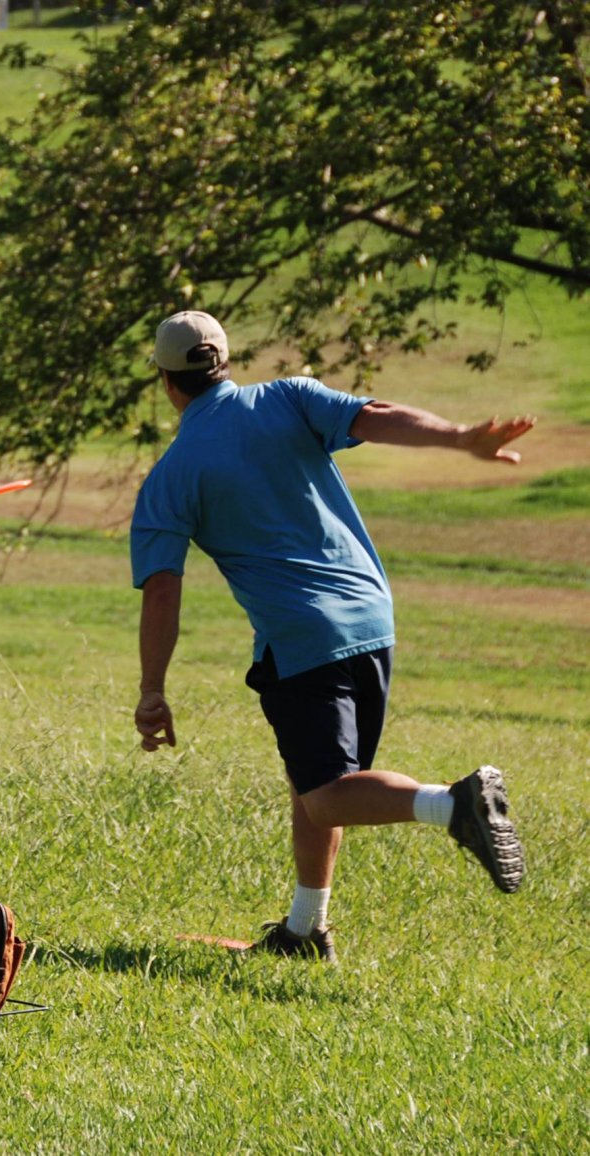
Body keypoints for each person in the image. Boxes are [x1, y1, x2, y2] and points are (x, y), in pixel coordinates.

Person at [130, 310, 531, 962]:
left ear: (167, 381)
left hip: (302, 637)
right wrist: (462, 438)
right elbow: (377, 415)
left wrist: (152, 691)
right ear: (224, 362)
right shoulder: (288, 395)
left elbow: (163, 589)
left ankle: (455, 804)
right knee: (319, 776)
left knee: (325, 797)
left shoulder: (173, 474)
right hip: (372, 618)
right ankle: (303, 929)